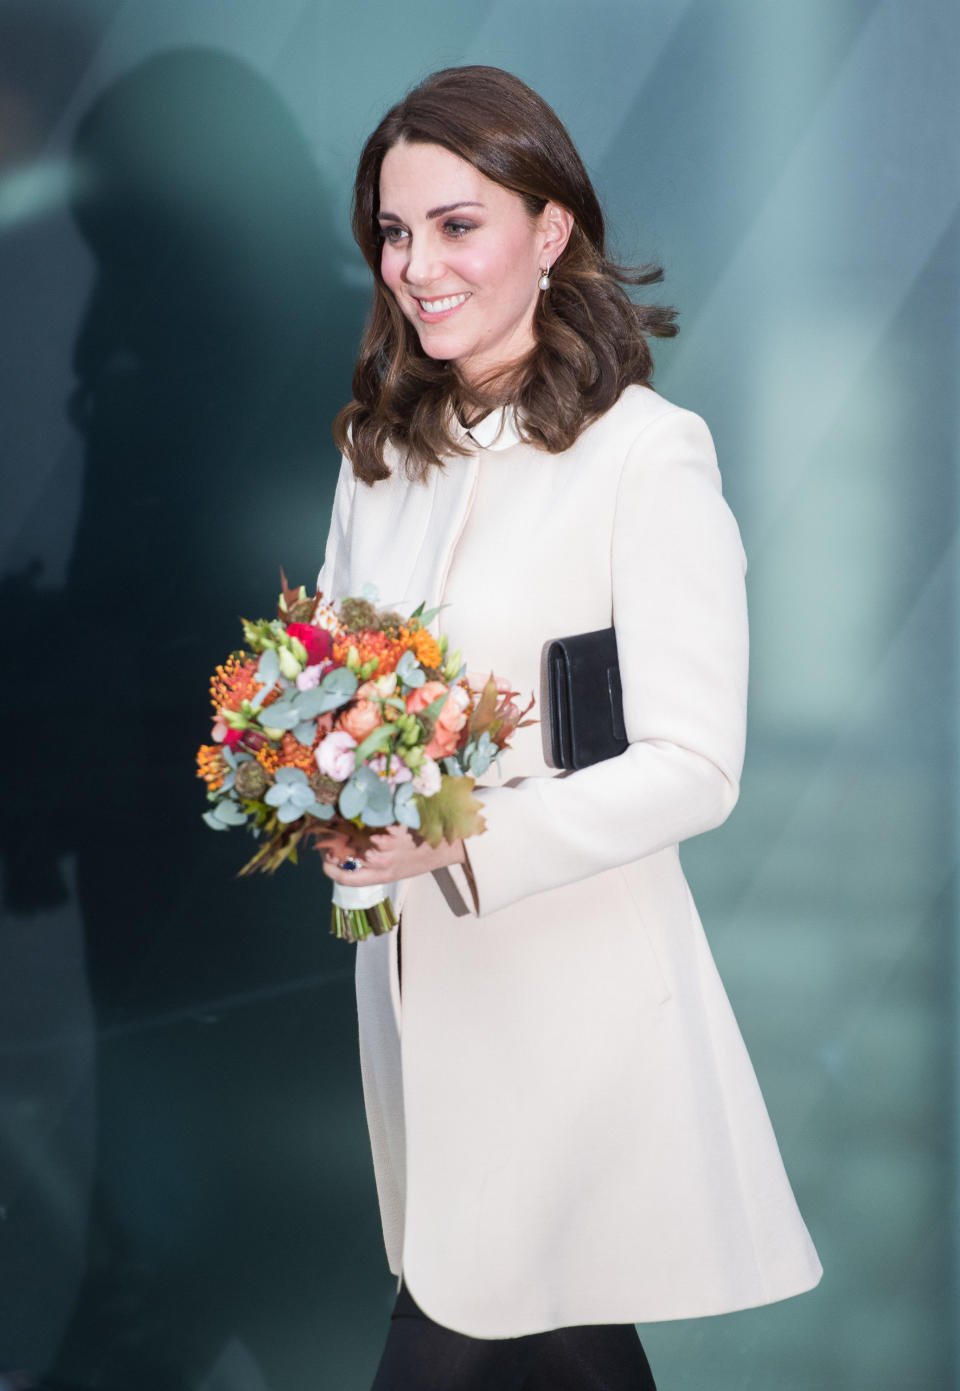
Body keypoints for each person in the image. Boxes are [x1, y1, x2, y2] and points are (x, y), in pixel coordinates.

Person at [319, 65, 822, 1390]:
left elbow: (693, 764)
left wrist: (460, 845)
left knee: (475, 1329)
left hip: (573, 1003)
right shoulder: (381, 457)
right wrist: (319, 792)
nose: (416, 264)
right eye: (393, 230)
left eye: (455, 223)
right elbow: (326, 685)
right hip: (421, 994)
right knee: (558, 1343)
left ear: (551, 232)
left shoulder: (645, 454)